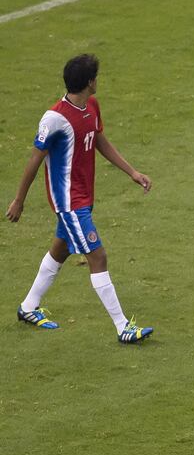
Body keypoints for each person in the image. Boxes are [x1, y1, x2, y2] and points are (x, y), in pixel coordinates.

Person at [6, 53, 153, 344]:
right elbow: (35, 160)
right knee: (98, 256)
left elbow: (98, 139)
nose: (98, 81)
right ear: (89, 81)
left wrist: (132, 172)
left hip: (84, 197)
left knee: (59, 251)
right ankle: (123, 326)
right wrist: (19, 200)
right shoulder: (55, 119)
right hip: (69, 203)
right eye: (96, 77)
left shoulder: (91, 105)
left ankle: (28, 307)